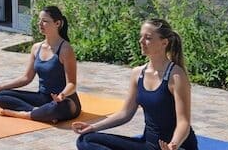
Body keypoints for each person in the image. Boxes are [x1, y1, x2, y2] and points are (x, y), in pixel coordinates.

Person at [73, 18, 198, 150]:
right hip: (148, 144)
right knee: (86, 139)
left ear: (164, 43)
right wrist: (92, 127)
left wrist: (174, 144)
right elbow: (125, 114)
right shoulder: (137, 73)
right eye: (141, 37)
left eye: (148, 38)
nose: (141, 41)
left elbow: (183, 123)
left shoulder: (176, 76)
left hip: (176, 146)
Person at [0, 5, 80, 123]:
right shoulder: (36, 47)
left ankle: (27, 114)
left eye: (45, 21)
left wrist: (62, 95)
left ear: (57, 23)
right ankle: (38, 112)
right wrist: (1, 87)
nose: (40, 24)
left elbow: (72, 84)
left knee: (56, 107)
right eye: (39, 20)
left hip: (64, 101)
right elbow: (26, 78)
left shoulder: (65, 49)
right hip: (43, 98)